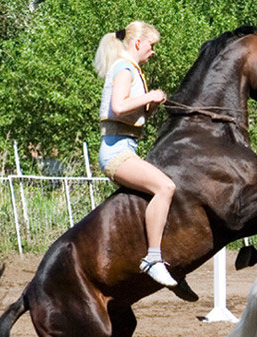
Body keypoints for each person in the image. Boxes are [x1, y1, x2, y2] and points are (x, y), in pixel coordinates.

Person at [94, 21, 178, 287]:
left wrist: (150, 104)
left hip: (125, 147)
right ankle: (153, 259)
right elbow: (118, 106)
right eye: (151, 46)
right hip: (116, 152)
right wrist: (148, 96)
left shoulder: (131, 70)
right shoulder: (123, 69)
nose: (153, 51)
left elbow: (130, 113)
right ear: (138, 43)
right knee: (165, 187)